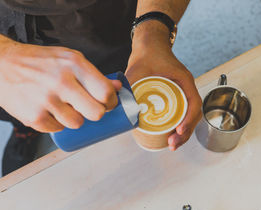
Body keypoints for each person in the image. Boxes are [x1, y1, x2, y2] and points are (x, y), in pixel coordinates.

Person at [0, 0, 202, 176]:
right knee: (20, 109)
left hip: (99, 23)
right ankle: (24, 130)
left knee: (107, 93)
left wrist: (151, 33)